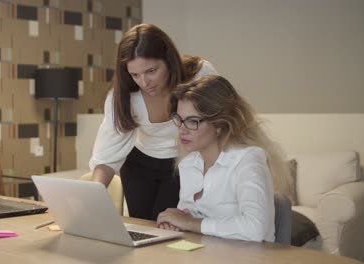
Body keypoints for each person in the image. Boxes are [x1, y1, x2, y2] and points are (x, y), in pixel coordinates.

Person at [89, 23, 217, 220]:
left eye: (151, 71)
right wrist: (88, 199)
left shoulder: (199, 75)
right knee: (141, 228)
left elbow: (223, 125)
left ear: (169, 60)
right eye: (135, 74)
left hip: (185, 161)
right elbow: (105, 157)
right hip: (139, 164)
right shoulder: (123, 95)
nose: (144, 82)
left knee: (168, 227)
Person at [156, 75, 292, 242]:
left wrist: (190, 222)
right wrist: (174, 223)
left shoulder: (248, 159)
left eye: (192, 121)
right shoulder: (188, 163)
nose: (182, 130)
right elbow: (186, 222)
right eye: (179, 119)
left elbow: (256, 229)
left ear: (219, 124)